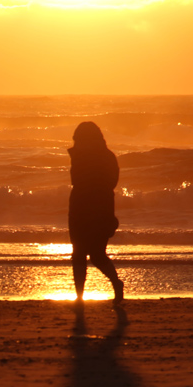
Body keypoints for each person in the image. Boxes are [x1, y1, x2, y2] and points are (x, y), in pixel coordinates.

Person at [67, 121, 124, 303]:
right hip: (80, 207)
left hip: (98, 208)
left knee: (96, 254)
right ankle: (79, 297)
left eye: (78, 138)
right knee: (78, 254)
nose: (75, 142)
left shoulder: (104, 157)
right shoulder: (83, 156)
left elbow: (109, 182)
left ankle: (116, 283)